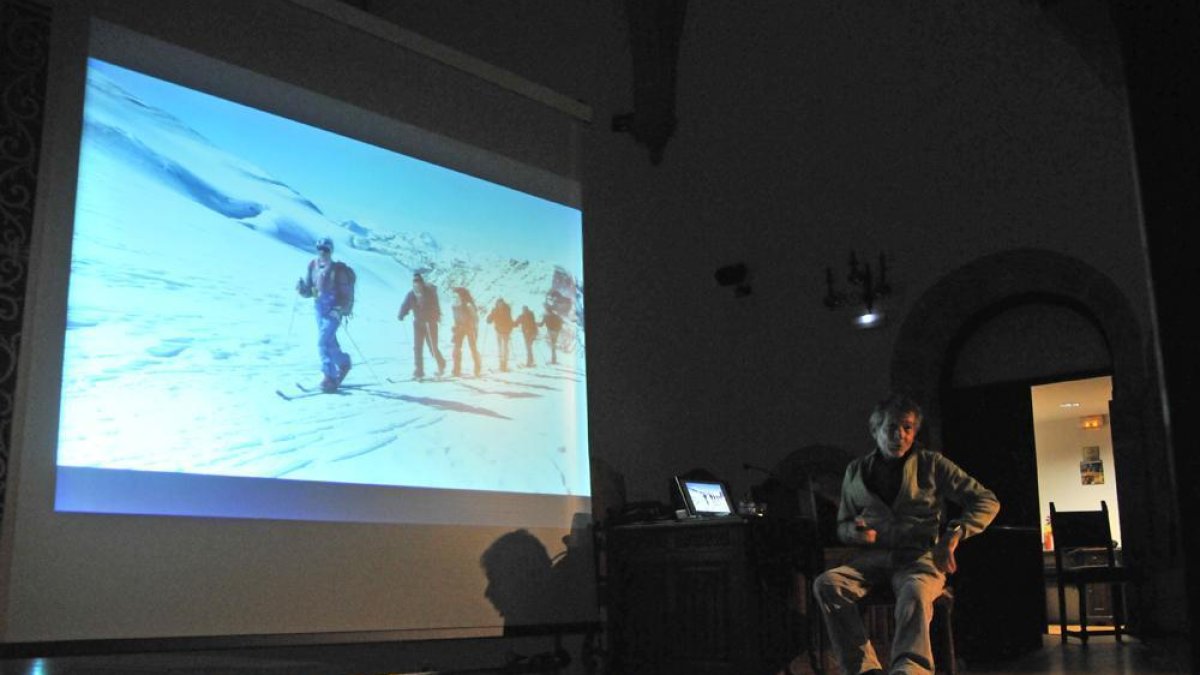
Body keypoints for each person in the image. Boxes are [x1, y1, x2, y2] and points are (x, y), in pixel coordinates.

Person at [812, 393, 999, 675]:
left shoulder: (932, 464)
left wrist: (954, 534)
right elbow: (844, 524)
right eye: (891, 428)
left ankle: (909, 669)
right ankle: (865, 670)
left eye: (907, 427)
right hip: (874, 560)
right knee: (827, 584)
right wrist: (854, 533)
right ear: (875, 431)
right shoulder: (856, 471)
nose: (900, 435)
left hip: (920, 558)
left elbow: (986, 500)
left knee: (914, 592)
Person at [295, 236, 352, 392]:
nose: (323, 253)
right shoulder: (313, 266)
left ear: (331, 251)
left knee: (322, 342)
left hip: (333, 313)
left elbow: (345, 294)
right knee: (330, 343)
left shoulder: (337, 271)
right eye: (320, 249)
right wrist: (302, 289)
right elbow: (309, 289)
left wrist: (338, 309)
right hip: (319, 310)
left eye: (326, 250)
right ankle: (344, 363)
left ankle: (330, 377)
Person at [397, 273, 446, 379]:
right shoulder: (411, 294)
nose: (416, 284)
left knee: (432, 347)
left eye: (418, 282)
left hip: (430, 324)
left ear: (422, 283)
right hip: (418, 324)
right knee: (417, 348)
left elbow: (435, 307)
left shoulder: (429, 293)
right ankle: (419, 371)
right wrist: (402, 314)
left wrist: (434, 317)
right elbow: (406, 305)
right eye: (415, 282)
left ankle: (441, 364)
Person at [450, 286, 482, 377]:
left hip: (470, 329)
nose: (455, 298)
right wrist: (455, 327)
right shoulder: (454, 306)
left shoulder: (468, 305)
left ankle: (477, 367)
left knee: (473, 348)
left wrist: (472, 327)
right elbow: (456, 319)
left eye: (456, 296)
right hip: (460, 328)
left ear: (461, 296)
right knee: (456, 348)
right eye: (454, 297)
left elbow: (475, 318)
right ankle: (456, 369)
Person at [486, 297, 515, 372]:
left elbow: (509, 319)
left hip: (505, 331)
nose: (500, 304)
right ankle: (501, 364)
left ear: (503, 303)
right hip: (498, 331)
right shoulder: (495, 310)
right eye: (499, 303)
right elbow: (491, 318)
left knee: (505, 348)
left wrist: (510, 328)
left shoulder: (506, 310)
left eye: (501, 303)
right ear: (497, 303)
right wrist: (489, 319)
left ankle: (504, 364)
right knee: (500, 348)